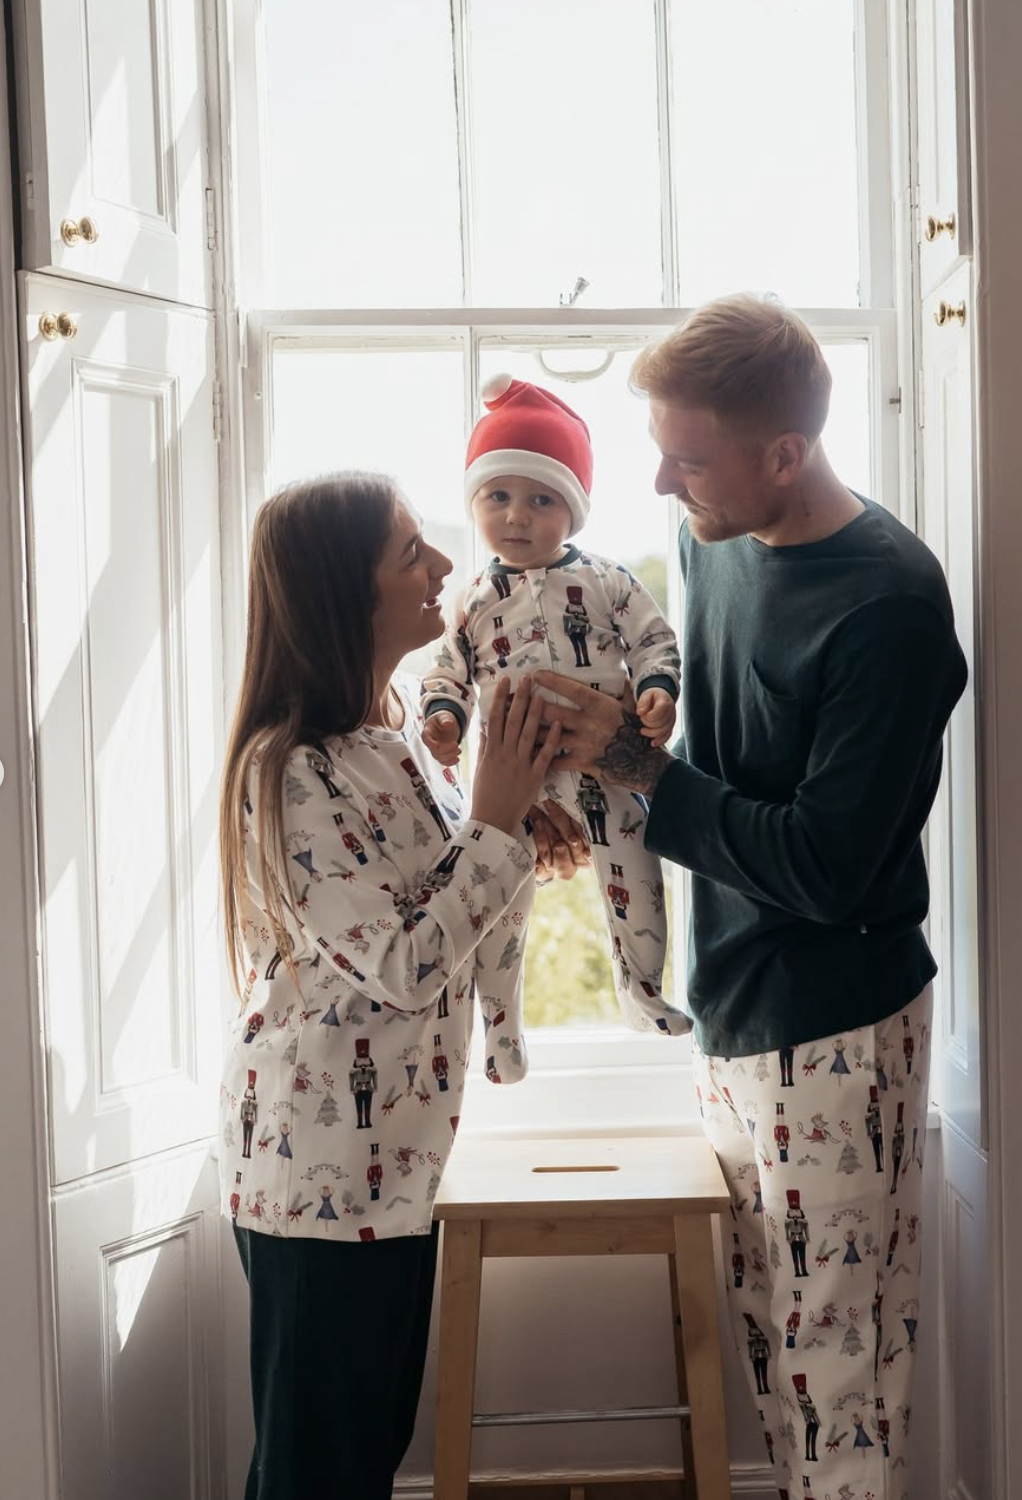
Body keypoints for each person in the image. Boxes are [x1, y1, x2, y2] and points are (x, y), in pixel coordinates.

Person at [533, 294, 968, 1500]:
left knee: (840, 1371)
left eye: (690, 456)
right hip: (728, 1004)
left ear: (786, 452)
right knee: (779, 1344)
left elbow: (829, 868)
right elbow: (715, 732)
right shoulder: (712, 536)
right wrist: (643, 718)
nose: (665, 483)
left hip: (837, 1021)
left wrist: (632, 761)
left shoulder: (886, 605)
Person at [216, 471, 561, 1500]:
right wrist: (494, 827)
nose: (447, 567)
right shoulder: (289, 770)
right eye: (413, 551)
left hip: (395, 1166)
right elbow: (408, 968)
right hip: (317, 1178)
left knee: (355, 1457)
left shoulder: (395, 747)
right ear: (341, 590)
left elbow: (454, 921)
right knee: (320, 1470)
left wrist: (514, 832)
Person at [419, 374, 691, 1041]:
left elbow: (653, 638)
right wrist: (444, 718)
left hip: (610, 772)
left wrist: (657, 690)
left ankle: (644, 991)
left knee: (637, 883)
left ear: (573, 509)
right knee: (502, 908)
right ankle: (501, 1030)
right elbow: (448, 669)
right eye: (498, 496)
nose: (517, 516)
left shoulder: (605, 579)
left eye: (542, 499)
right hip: (514, 781)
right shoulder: (474, 598)